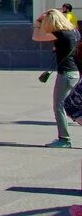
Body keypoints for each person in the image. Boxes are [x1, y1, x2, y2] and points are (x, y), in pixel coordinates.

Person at [33, 8, 80, 147]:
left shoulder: (60, 33)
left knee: (58, 106)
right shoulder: (73, 32)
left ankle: (64, 139)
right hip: (74, 73)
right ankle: (64, 138)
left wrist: (38, 22)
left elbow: (37, 36)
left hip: (65, 74)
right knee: (72, 108)